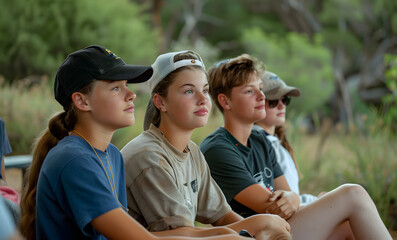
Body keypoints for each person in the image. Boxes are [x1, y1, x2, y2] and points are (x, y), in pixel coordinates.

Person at [18, 45, 246, 240]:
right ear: (81, 100)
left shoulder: (111, 155)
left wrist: (231, 234)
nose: (131, 95)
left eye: (126, 85)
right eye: (116, 88)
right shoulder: (74, 160)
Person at [200, 54, 393, 240]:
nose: (262, 96)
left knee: (349, 225)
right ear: (225, 101)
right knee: (353, 194)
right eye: (250, 91)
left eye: (261, 88)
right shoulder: (218, 149)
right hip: (258, 234)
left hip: (282, 227)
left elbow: (289, 195)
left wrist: (295, 198)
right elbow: (272, 207)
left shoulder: (260, 140)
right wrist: (294, 199)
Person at [121, 50, 291, 240]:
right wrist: (252, 225)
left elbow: (222, 216)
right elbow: (175, 234)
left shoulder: (191, 150)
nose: (202, 100)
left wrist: (258, 228)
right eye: (188, 91)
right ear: (160, 102)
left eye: (205, 90)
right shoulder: (150, 157)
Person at [253, 71, 318, 205]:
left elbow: (293, 195)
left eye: (285, 99)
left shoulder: (276, 142)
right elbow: (280, 202)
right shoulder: (258, 144)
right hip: (286, 220)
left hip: (297, 210)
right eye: (273, 101)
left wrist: (317, 200)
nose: (282, 105)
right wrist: (317, 201)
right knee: (352, 193)